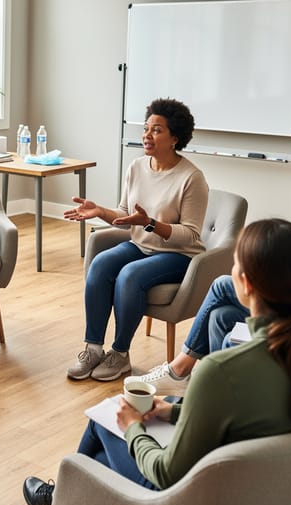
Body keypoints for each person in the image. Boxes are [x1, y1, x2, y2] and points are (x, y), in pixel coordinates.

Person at [23, 219, 291, 505]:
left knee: (104, 422)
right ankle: (72, 496)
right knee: (98, 464)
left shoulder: (222, 370)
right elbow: (253, 415)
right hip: (277, 493)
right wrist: (174, 412)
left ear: (246, 283)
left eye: (235, 264)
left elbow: (167, 473)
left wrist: (133, 426)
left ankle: (60, 499)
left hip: (204, 497)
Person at [135, 136, 291, 395]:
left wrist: (268, 276)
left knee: (223, 285)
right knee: (220, 316)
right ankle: (218, 391)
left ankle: (180, 369)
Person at [65, 98, 209, 382]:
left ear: (175, 138)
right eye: (146, 128)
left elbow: (191, 235)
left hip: (179, 255)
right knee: (101, 263)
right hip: (140, 245)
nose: (146, 135)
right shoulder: (136, 167)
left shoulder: (192, 178)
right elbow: (125, 214)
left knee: (129, 275)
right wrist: (100, 211)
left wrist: (152, 224)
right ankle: (93, 348)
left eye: (156, 130)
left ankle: (120, 355)